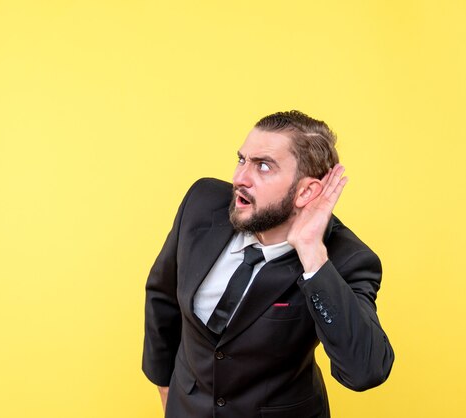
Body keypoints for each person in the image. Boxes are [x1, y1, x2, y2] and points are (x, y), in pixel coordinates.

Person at [142, 110, 394, 418]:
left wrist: (312, 254)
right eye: (242, 160)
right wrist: (169, 398)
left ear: (306, 191)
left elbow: (365, 370)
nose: (240, 178)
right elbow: (162, 297)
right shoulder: (202, 203)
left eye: (263, 166)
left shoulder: (346, 259)